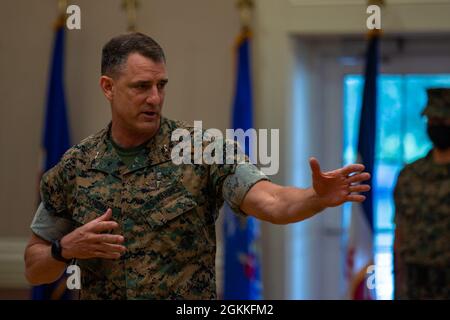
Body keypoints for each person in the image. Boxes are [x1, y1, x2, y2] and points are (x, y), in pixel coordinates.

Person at [24, 32, 370, 299]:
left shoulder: (202, 150)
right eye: (141, 87)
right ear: (108, 88)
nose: (155, 98)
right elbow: (34, 268)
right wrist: (64, 249)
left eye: (161, 86)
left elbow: (272, 202)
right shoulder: (76, 166)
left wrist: (316, 197)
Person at [394, 88, 450, 300]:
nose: (436, 126)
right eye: (432, 119)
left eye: (443, 121)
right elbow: (399, 233)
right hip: (415, 283)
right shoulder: (410, 175)